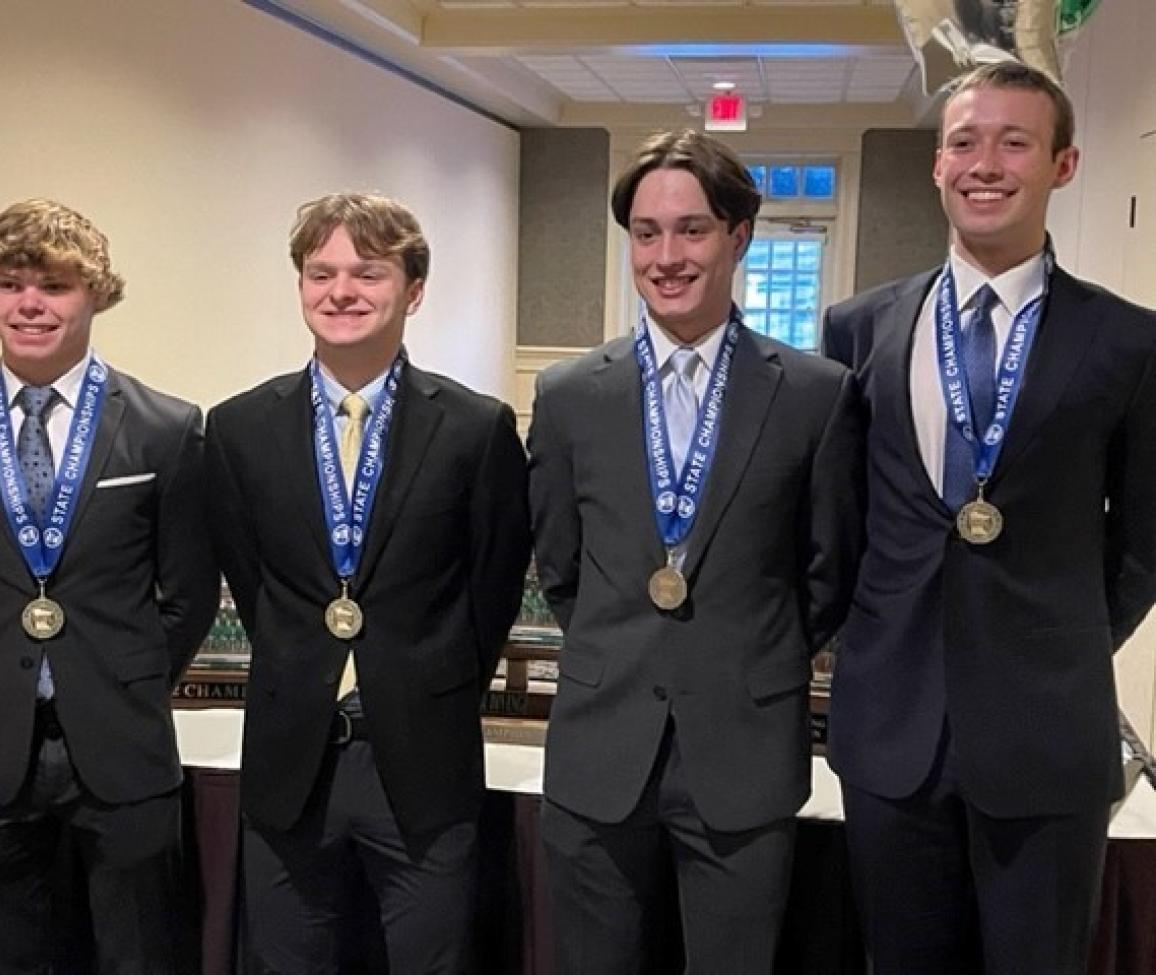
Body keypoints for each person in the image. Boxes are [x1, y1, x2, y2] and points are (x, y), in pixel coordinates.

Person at [821, 61, 1156, 975]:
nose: (986, 163)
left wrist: (1061, 635)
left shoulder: (1130, 341)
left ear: (1064, 164)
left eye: (1016, 142)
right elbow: (841, 520)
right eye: (965, 142)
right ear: (937, 165)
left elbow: (1143, 542)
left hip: (1046, 733)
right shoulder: (859, 329)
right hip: (891, 733)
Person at [527, 130, 865, 972]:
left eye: (692, 229)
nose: (666, 255)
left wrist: (747, 655)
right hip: (600, 750)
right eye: (646, 233)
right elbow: (561, 566)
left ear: (738, 236)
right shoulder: (569, 397)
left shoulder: (815, 395)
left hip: (744, 749)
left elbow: (827, 570)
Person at [205, 192, 531, 973]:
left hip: (422, 760)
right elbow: (255, 588)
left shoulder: (475, 428)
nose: (341, 290)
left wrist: (425, 682)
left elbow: (491, 588)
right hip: (292, 762)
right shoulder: (239, 428)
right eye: (321, 273)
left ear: (413, 290)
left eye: (367, 273)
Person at [0, 199, 218, 973]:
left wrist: (124, 677)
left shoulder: (165, 428)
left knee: (141, 957)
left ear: (94, 296)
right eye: (9, 284)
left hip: (122, 747)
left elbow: (189, 590)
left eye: (55, 286)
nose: (30, 304)